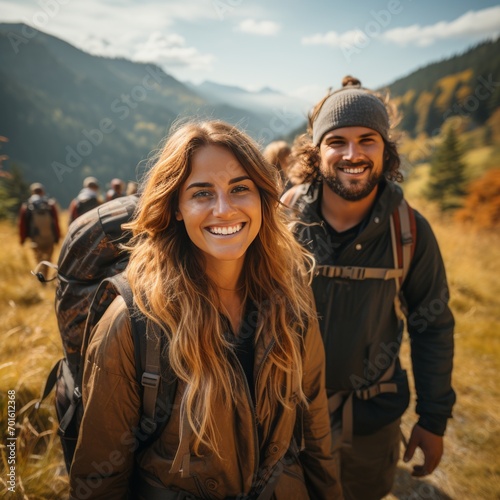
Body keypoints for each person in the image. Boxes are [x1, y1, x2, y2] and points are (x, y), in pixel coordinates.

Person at [69, 120, 341, 499]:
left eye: (239, 188)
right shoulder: (132, 323)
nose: (224, 209)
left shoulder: (291, 299)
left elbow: (313, 421)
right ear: (177, 208)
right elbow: (100, 480)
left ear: (262, 197)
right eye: (201, 194)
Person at [282, 77, 456, 500]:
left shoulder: (410, 230)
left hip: (371, 423)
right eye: (336, 141)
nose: (352, 154)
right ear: (317, 151)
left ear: (386, 149)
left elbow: (431, 326)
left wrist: (433, 420)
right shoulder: (282, 222)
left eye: (367, 140)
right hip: (286, 420)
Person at [19, 182, 60, 279]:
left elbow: (22, 225)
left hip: (35, 239)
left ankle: (41, 280)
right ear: (43, 192)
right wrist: (57, 237)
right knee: (48, 260)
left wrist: (22, 240)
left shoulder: (27, 206)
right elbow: (56, 222)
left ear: (32, 192)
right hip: (49, 238)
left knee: (39, 260)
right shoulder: (50, 204)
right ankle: (45, 277)